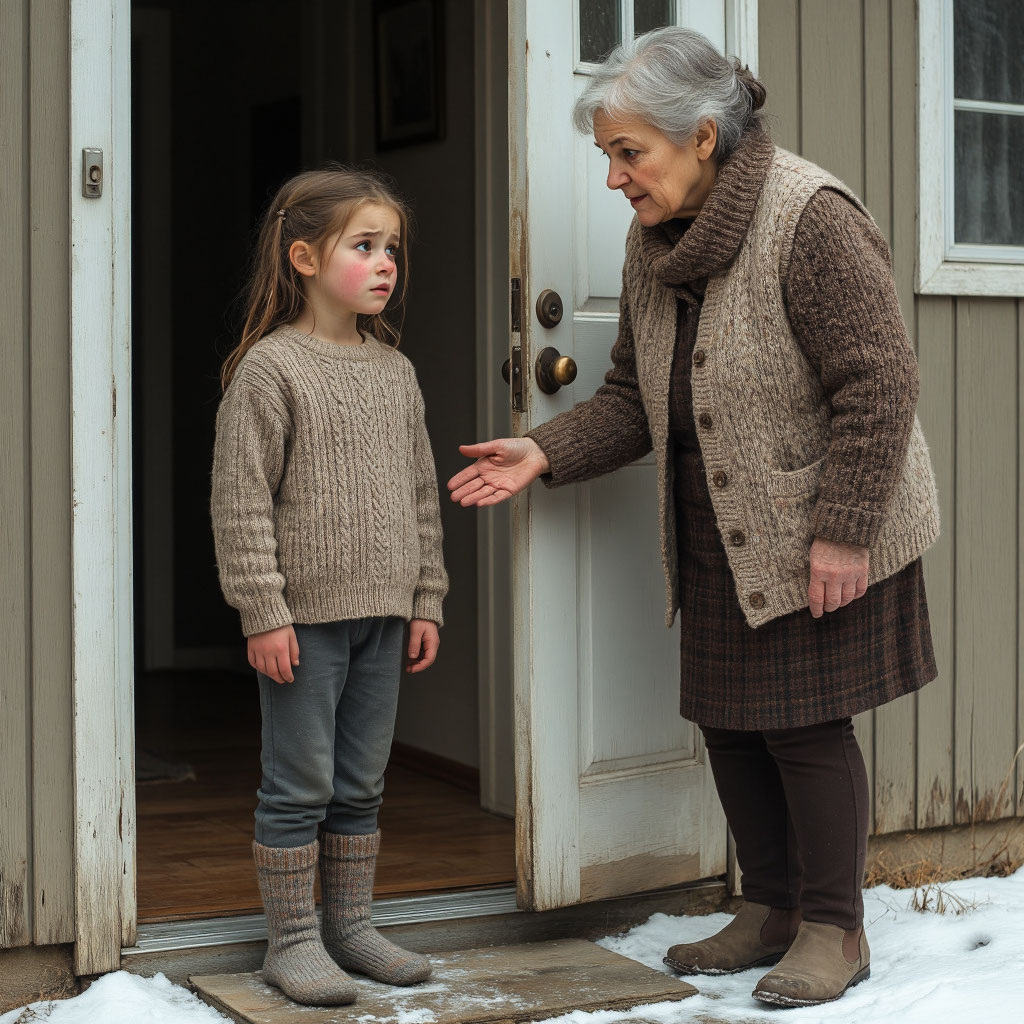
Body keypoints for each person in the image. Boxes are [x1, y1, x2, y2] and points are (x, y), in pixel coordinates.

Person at [448, 27, 939, 1010]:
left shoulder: (811, 216)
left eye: (629, 154)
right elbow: (634, 393)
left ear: (703, 138)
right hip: (716, 520)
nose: (614, 180)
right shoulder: (653, 242)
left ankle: (833, 928)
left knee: (803, 725)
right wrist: (546, 450)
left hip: (817, 517)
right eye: (607, 157)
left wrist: (842, 529)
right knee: (728, 720)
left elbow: (878, 381)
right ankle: (769, 905)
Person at [211, 167, 448, 1007]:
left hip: (384, 616)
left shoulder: (396, 372)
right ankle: (293, 940)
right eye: (364, 246)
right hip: (304, 623)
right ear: (304, 257)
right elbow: (240, 503)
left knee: (362, 779)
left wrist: (426, 598)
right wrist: (263, 612)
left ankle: (350, 926)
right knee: (299, 782)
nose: (385, 263)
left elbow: (421, 494)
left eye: (392, 249)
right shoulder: (270, 372)